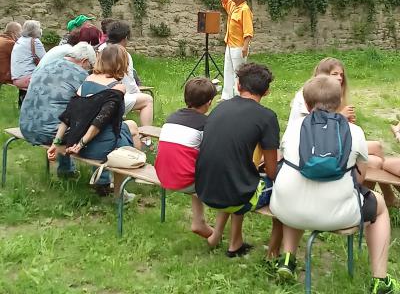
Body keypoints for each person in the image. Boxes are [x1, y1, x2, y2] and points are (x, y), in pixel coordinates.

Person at [270, 75, 399, 294]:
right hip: (337, 214)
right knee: (380, 207)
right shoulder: (354, 132)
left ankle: (288, 258)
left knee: (297, 189)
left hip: (286, 209)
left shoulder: (293, 129)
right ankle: (380, 279)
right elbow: (360, 179)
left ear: (307, 104)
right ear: (339, 102)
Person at [288, 57, 400, 208]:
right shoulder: (307, 94)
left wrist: (344, 122)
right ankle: (368, 198)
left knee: (377, 156)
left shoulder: (330, 93)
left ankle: (381, 196)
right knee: (375, 158)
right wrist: (340, 117)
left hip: (329, 143)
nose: (340, 78)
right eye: (334, 74)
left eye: (341, 74)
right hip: (314, 147)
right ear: (322, 74)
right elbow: (312, 125)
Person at [195, 63, 280, 257]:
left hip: (205, 189)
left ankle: (229, 240)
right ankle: (274, 254)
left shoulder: (220, 107)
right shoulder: (267, 117)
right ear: (266, 91)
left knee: (237, 174)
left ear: (238, 85)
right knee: (278, 187)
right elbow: (272, 172)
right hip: (235, 196)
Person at [47, 45, 141, 196]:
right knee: (126, 139)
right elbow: (100, 121)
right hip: (96, 148)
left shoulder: (87, 81)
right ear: (121, 63)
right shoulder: (118, 87)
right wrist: (81, 144)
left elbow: (68, 115)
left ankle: (107, 181)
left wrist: (56, 143)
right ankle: (122, 190)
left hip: (77, 142)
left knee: (130, 126)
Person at [20, 42, 96, 177]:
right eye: (90, 67)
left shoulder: (46, 65)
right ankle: (102, 180)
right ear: (84, 61)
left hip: (27, 127)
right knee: (98, 125)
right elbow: (94, 103)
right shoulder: (80, 74)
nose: (89, 70)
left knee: (62, 112)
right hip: (50, 134)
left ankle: (66, 170)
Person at [155, 77, 217, 239]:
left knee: (192, 165)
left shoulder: (172, 117)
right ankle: (219, 234)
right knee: (226, 180)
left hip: (162, 174)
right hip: (185, 181)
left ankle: (199, 221)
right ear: (209, 102)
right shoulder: (206, 124)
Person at [98, 20, 152, 124]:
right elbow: (129, 83)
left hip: (96, 95)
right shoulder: (123, 54)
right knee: (147, 100)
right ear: (125, 38)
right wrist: (138, 95)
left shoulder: (100, 49)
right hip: (112, 98)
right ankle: (146, 133)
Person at [215, 0, 253, 100]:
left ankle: (238, 96)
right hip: (230, 45)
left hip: (239, 46)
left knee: (239, 72)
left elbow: (248, 30)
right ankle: (226, 96)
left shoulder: (245, 10)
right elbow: (228, 4)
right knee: (228, 70)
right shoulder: (234, 6)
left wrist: (245, 47)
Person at [10, 20, 46, 90]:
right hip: (28, 78)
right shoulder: (35, 41)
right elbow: (46, 60)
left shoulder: (20, 40)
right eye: (39, 28)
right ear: (35, 30)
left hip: (16, 78)